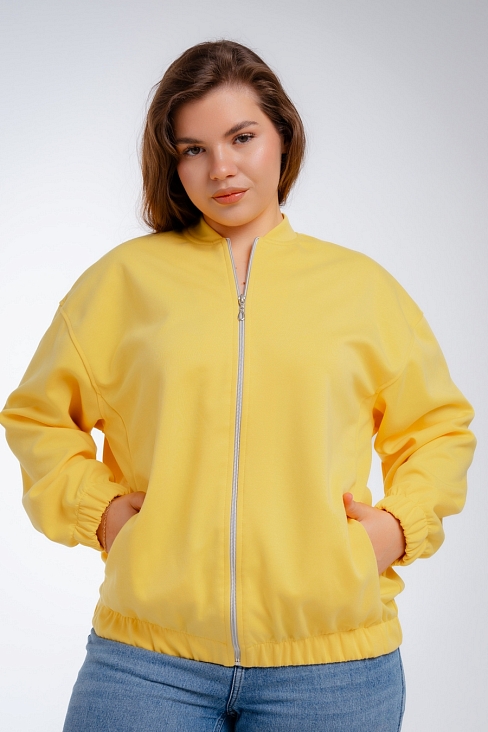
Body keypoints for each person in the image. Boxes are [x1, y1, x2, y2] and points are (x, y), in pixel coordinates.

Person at [0, 40, 476, 731]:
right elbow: (37, 418)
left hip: (332, 666)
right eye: (193, 149)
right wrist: (99, 513)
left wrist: (400, 527)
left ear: (283, 136)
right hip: (146, 662)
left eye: (241, 137)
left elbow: (437, 428)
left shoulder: (362, 290)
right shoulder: (122, 284)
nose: (220, 167)